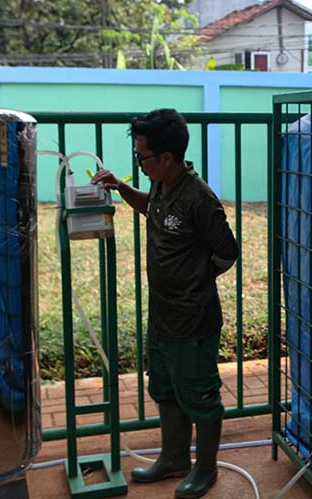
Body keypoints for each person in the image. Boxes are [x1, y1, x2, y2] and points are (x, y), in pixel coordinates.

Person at [91, 109, 239, 499]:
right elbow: (152, 208)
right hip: (162, 316)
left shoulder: (199, 198)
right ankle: (174, 458)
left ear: (167, 158)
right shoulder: (161, 185)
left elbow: (227, 252)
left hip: (193, 320)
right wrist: (122, 188)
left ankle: (205, 469)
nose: (138, 162)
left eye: (141, 157)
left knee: (200, 396)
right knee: (165, 389)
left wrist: (196, 282)